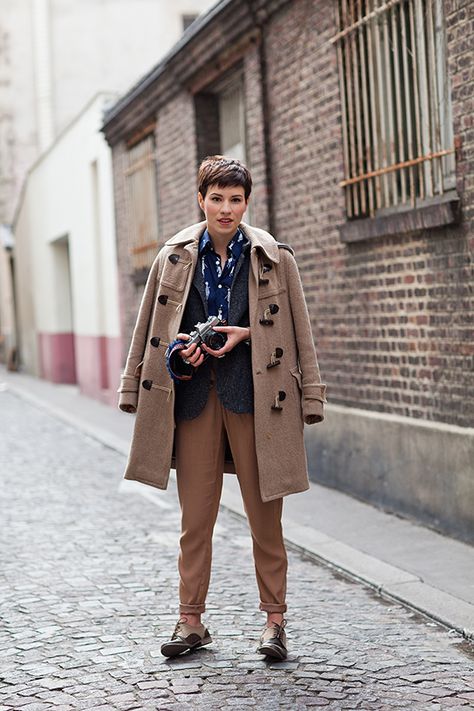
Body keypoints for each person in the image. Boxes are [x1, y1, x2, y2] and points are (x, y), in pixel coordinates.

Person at [117, 155, 327, 660]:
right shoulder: (173, 256)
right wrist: (175, 353)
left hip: (259, 401)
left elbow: (298, 331)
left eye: (235, 200)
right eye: (217, 199)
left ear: (246, 203)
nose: (226, 209)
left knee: (264, 515)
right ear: (201, 200)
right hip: (193, 400)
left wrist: (248, 335)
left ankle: (274, 622)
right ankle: (191, 621)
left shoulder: (274, 257)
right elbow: (152, 327)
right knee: (196, 519)